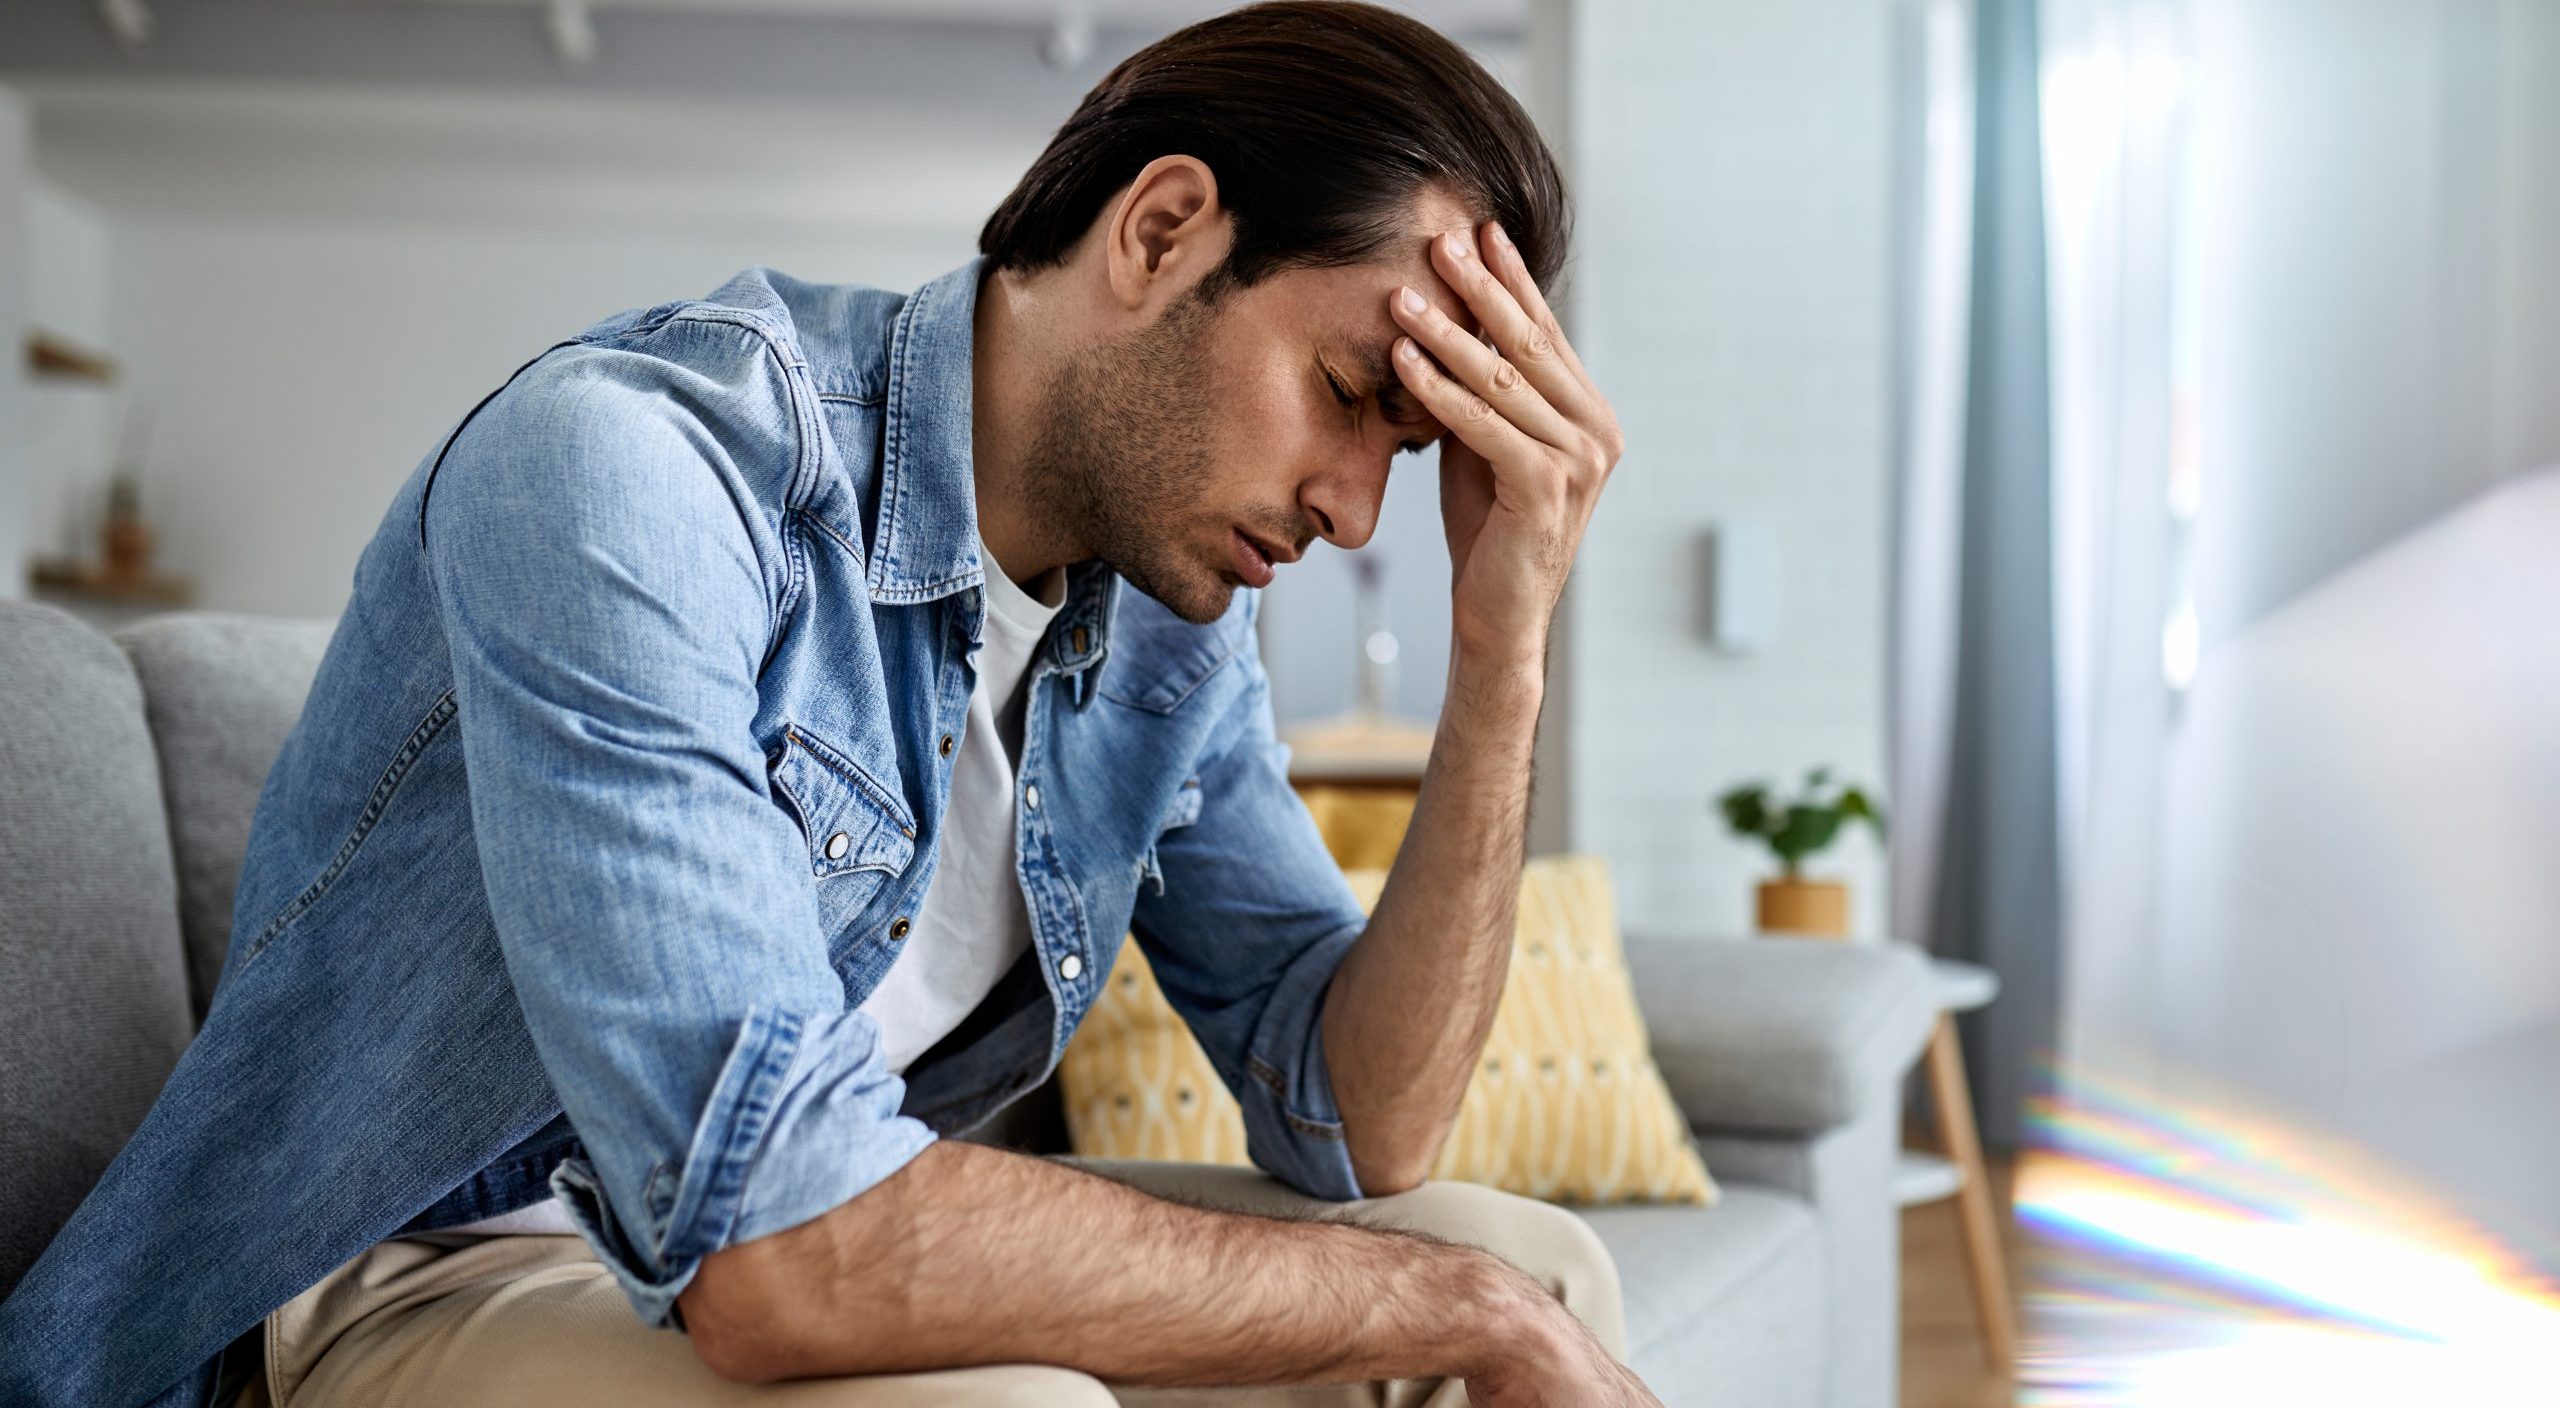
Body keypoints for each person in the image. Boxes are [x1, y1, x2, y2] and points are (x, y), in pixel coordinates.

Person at [0, 4, 1642, 1404]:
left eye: (1404, 457)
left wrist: (1505, 653)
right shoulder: (638, 468)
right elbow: (776, 1249)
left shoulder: (1165, 627)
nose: (1356, 514)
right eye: (1351, 395)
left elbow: (1363, 1130)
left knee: (1529, 1262)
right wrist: (1445, 1307)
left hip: (753, 1263)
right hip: (388, 1285)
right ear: (1161, 232)